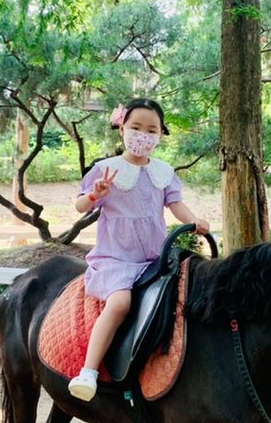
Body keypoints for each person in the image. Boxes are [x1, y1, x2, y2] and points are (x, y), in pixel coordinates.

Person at [68, 98, 210, 402]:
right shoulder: (106, 169)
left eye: (151, 129)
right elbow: (80, 205)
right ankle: (89, 371)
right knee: (120, 304)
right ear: (122, 129)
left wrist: (194, 219)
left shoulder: (163, 171)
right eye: (135, 127)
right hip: (116, 259)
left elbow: (175, 204)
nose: (142, 135)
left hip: (154, 259)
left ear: (160, 135)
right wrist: (95, 194)